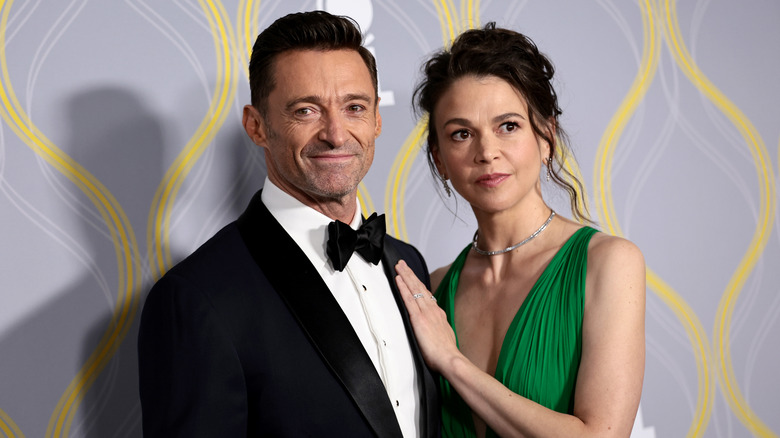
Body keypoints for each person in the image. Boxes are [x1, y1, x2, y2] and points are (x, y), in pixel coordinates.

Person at [137, 11, 440, 437]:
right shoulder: (196, 298)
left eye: (354, 107)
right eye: (306, 111)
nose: (335, 133)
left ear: (376, 120)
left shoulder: (408, 264)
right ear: (256, 126)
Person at [393, 23, 645, 437]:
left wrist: (452, 362)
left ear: (545, 137)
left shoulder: (607, 264)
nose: (486, 152)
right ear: (439, 159)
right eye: (461, 134)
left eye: (508, 126)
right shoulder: (433, 290)